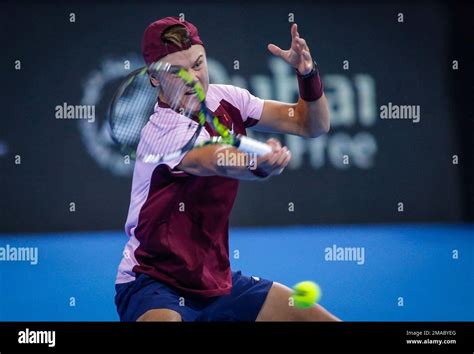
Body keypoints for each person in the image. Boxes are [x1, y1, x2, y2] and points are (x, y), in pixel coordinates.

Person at [115, 16, 339, 322]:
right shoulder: (162, 131)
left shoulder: (229, 99)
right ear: (155, 78)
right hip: (152, 282)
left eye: (197, 65)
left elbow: (310, 123)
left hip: (214, 281)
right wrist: (255, 164)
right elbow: (213, 159)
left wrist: (307, 74)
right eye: (177, 71)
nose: (192, 78)